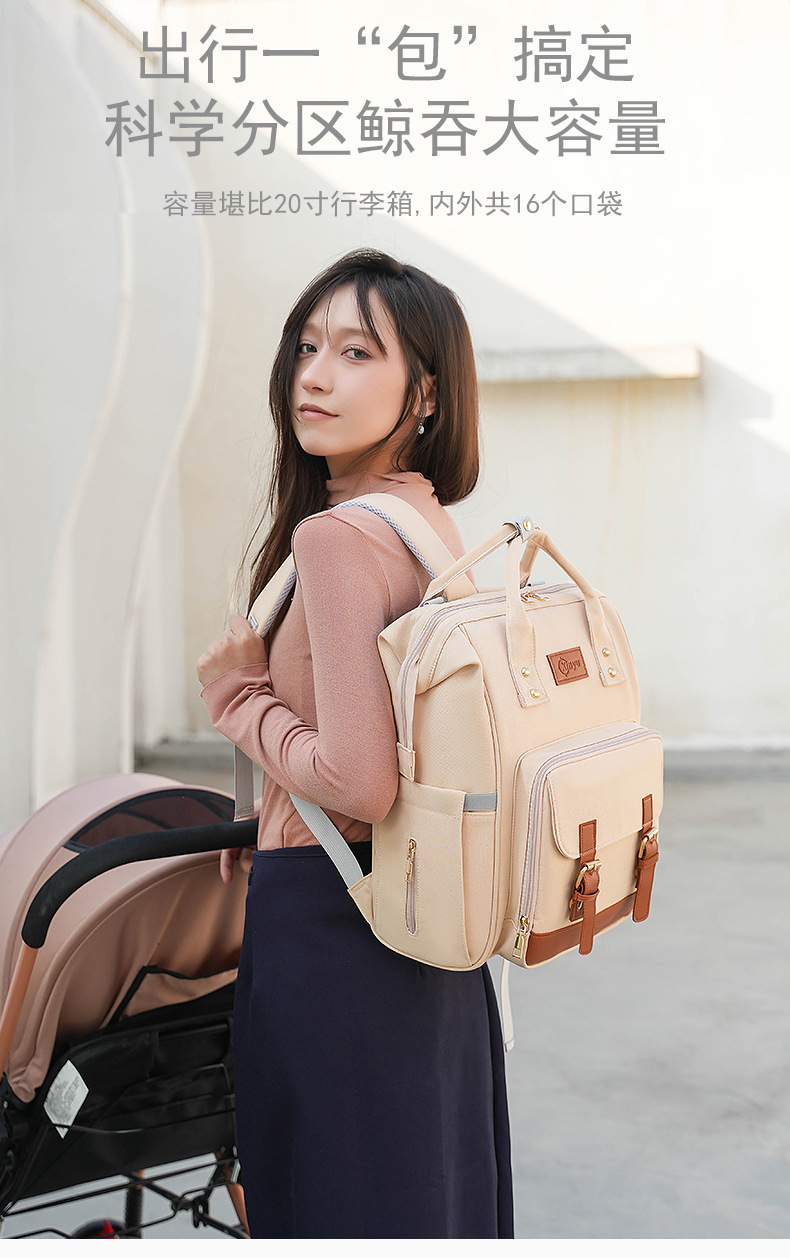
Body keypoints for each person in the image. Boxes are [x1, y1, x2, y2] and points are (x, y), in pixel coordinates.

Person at [196, 249, 514, 1240]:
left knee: (333, 1204)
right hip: (431, 924)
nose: (316, 376)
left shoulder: (334, 539)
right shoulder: (427, 523)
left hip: (335, 929)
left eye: (356, 352)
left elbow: (357, 781)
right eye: (307, 346)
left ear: (425, 393)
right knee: (425, 1199)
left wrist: (237, 697)